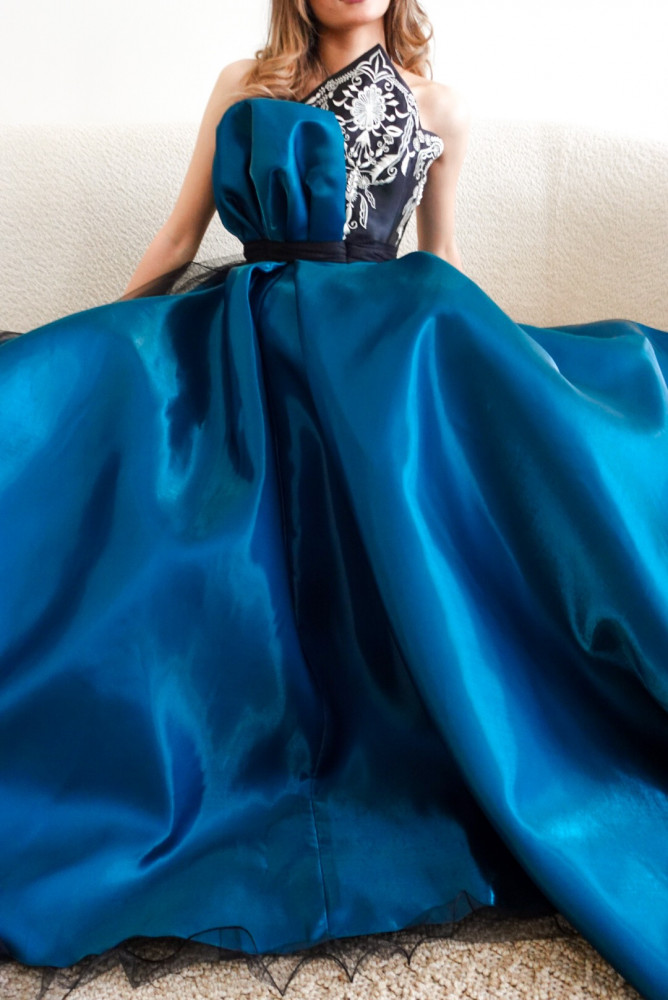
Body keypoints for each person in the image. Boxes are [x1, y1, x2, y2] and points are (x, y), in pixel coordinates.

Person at [0, 2, 667, 1000]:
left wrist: (495, 374)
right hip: (243, 339)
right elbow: (179, 235)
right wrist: (93, 360)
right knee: (69, 415)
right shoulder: (244, 82)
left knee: (487, 431)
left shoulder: (440, 104)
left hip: (376, 347)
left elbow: (439, 263)